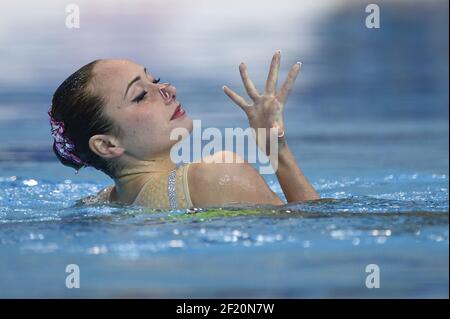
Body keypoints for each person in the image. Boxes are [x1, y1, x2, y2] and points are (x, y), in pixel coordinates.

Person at [49, 50, 319, 209]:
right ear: (107, 145)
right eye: (141, 95)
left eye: (154, 80)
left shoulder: (98, 204)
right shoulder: (217, 174)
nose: (168, 90)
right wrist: (277, 150)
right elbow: (313, 235)